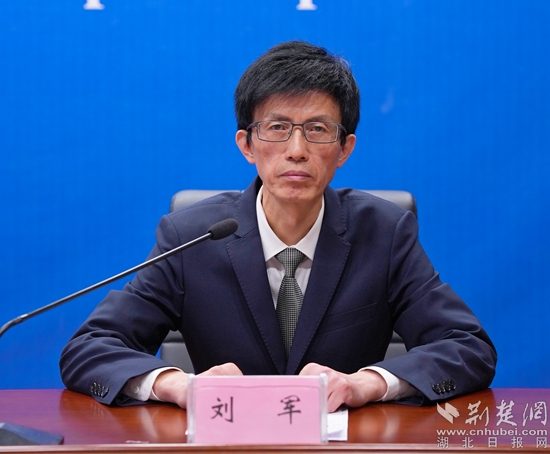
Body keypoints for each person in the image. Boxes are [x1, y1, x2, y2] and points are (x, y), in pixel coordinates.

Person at [60, 41, 496, 412]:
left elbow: (468, 347)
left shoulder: (383, 233)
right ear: (247, 145)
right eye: (278, 128)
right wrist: (178, 385)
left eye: (317, 129)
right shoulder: (190, 237)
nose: (297, 149)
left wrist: (366, 384)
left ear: (344, 149)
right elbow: (89, 349)